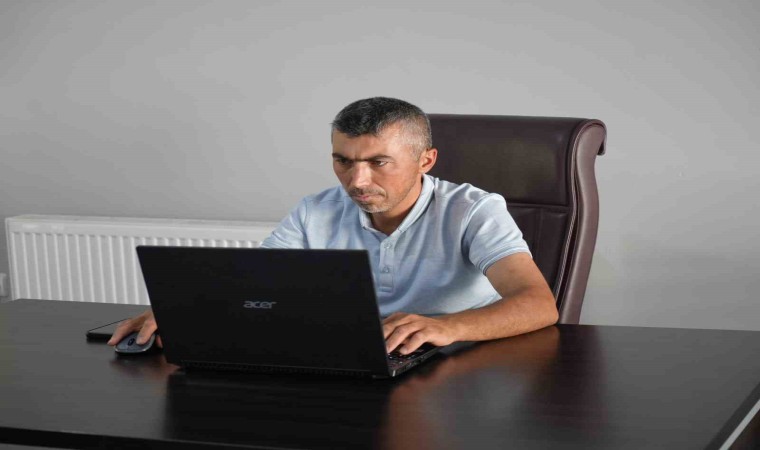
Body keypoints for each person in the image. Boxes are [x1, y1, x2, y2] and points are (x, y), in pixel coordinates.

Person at [109, 97, 558, 354]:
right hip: (351, 357)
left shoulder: (474, 210)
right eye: (343, 161)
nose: (356, 181)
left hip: (456, 361)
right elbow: (252, 284)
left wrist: (448, 327)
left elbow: (538, 305)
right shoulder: (315, 211)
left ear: (425, 160)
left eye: (378, 162)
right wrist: (185, 311)